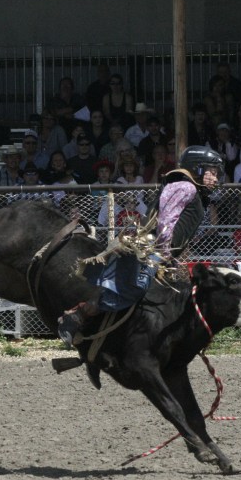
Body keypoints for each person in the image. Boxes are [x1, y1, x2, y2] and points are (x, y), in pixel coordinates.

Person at [57, 146, 223, 346]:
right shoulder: (186, 187)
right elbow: (166, 221)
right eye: (212, 172)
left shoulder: (191, 190)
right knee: (135, 288)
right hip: (152, 248)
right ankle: (76, 317)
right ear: (197, 168)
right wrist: (164, 253)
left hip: (159, 250)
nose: (216, 178)